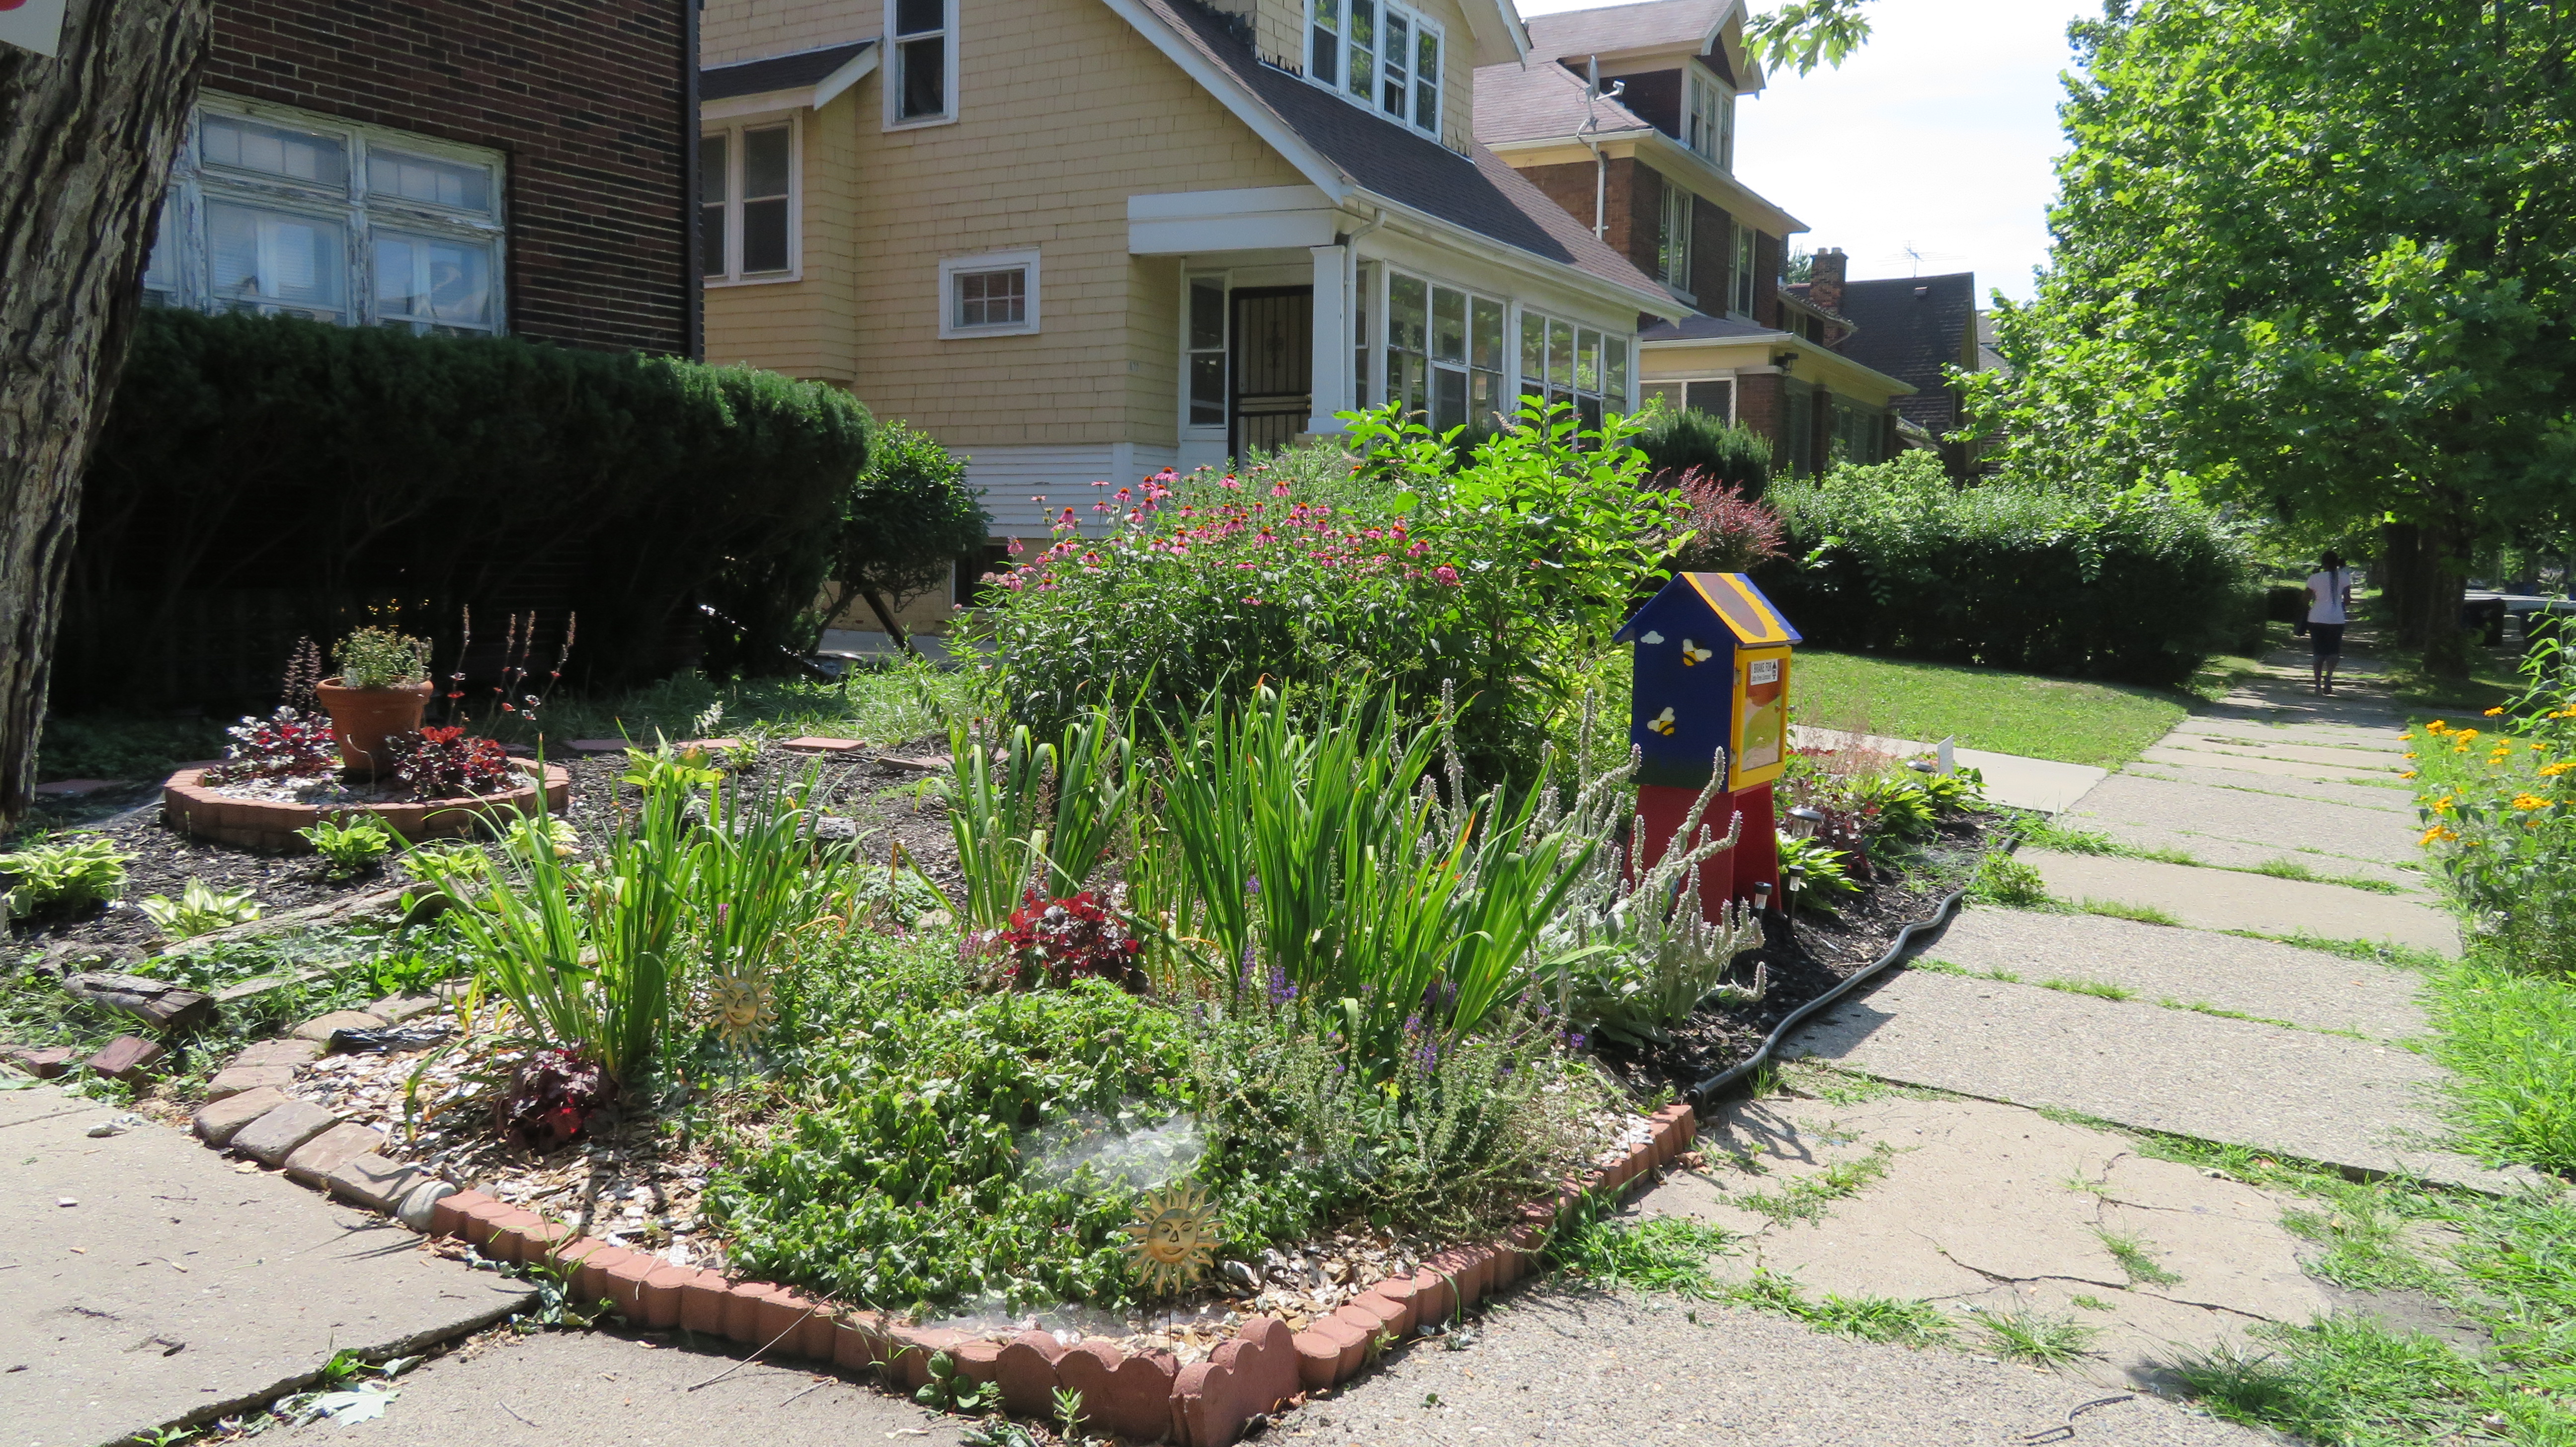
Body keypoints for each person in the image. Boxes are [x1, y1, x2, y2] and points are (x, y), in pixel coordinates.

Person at [2306, 550, 2355, 695]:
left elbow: (2305, 599)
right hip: (2337, 619)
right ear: (2337, 562)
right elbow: (2347, 600)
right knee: (2333, 652)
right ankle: (2329, 676)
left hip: (2317, 618)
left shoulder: (2315, 578)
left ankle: (2317, 685)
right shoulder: (2345, 577)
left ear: (2323, 563)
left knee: (2318, 653)